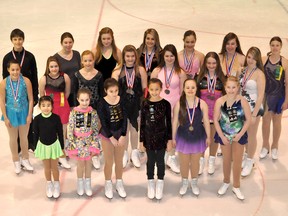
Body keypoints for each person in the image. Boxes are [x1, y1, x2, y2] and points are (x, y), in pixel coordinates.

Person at [151, 44, 187, 174]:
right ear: (163, 56)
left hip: (175, 106)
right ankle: (161, 155)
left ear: (175, 57)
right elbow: (152, 90)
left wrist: (181, 108)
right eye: (167, 56)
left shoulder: (181, 72)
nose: (169, 58)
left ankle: (171, 156)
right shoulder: (157, 71)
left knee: (173, 131)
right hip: (159, 106)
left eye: (172, 56)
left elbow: (183, 93)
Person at [214, 76, 251, 200]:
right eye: (228, 87)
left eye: (233, 87)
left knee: (237, 160)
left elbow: (248, 120)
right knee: (226, 160)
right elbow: (215, 120)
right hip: (224, 136)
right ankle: (225, 182)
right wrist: (221, 136)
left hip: (238, 136)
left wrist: (240, 134)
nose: (231, 90)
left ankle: (236, 185)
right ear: (225, 88)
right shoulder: (219, 101)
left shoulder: (243, 101)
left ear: (238, 88)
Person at [2, 28, 38, 152]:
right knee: (15, 121)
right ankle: (17, 146)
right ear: (12, 40)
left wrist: (35, 94)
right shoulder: (7, 57)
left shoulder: (29, 56)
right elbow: (4, 77)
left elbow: (34, 75)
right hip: (13, 93)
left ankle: (30, 144)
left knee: (28, 118)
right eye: (15, 39)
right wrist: (7, 96)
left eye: (20, 39)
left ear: (23, 40)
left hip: (26, 92)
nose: (18, 42)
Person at [172, 79, 210, 196]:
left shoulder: (202, 103)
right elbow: (175, 122)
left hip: (197, 136)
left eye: (192, 87)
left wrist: (208, 136)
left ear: (196, 89)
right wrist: (173, 137)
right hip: (183, 136)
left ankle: (194, 182)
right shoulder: (179, 104)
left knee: (195, 162)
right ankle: (184, 182)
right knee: (183, 162)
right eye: (187, 87)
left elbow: (207, 121)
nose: (190, 90)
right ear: (183, 89)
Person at [112, 45, 147, 168]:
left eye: (132, 56)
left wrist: (143, 105)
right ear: (123, 57)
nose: (130, 58)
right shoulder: (117, 71)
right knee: (124, 129)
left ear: (136, 57)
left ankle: (135, 152)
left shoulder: (140, 70)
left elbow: (145, 89)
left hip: (136, 104)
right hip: (122, 105)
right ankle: (124, 153)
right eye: (127, 56)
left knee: (134, 128)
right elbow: (113, 91)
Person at [140, 78, 172, 200]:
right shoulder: (145, 103)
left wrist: (169, 140)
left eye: (157, 89)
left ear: (161, 89)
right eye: (152, 89)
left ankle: (160, 182)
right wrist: (141, 141)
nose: (154, 92)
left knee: (160, 161)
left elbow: (168, 123)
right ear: (148, 89)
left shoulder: (165, 104)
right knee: (150, 161)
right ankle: (150, 182)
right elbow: (142, 123)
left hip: (161, 137)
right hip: (149, 137)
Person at [0, 60, 34, 174]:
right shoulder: (4, 83)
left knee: (24, 138)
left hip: (24, 112)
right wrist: (5, 117)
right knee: (13, 138)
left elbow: (31, 99)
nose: (15, 72)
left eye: (17, 69)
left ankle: (25, 159)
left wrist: (30, 114)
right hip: (11, 113)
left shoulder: (26, 81)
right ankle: (16, 160)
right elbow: (1, 100)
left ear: (20, 69)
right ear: (8, 70)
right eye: (12, 70)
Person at [97, 78, 127, 199]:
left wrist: (123, 135)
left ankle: (119, 182)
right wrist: (111, 137)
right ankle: (108, 183)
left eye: (116, 91)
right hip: (107, 135)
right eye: (111, 91)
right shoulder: (101, 103)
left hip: (120, 134)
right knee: (109, 162)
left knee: (119, 161)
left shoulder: (122, 100)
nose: (114, 94)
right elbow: (103, 122)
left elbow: (125, 118)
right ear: (105, 91)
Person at [67, 88, 101, 197]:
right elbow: (70, 128)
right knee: (80, 164)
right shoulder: (74, 112)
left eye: (87, 100)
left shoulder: (93, 112)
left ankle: (88, 183)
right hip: (78, 142)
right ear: (78, 99)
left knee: (88, 164)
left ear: (90, 99)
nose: (84, 103)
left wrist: (94, 143)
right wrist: (72, 143)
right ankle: (80, 183)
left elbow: (95, 128)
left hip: (89, 141)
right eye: (82, 100)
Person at [39, 56, 71, 169]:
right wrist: (47, 105)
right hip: (50, 108)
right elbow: (42, 95)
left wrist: (61, 101)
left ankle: (61, 155)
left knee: (62, 132)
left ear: (59, 66)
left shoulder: (65, 77)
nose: (54, 68)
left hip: (63, 107)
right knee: (52, 132)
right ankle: (54, 154)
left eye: (56, 66)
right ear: (48, 67)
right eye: (51, 66)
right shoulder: (43, 79)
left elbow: (67, 92)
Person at [196, 52, 226, 175]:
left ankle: (212, 159)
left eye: (214, 63)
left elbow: (225, 98)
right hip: (203, 115)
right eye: (209, 63)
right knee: (202, 138)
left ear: (217, 64)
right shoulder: (199, 78)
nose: (211, 65)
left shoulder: (223, 79)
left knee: (214, 138)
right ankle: (201, 159)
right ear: (205, 64)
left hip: (216, 115)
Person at [74, 50, 104, 169]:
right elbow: (74, 92)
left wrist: (101, 110)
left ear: (93, 61)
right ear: (82, 61)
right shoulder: (77, 74)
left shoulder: (99, 75)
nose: (88, 63)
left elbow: (102, 94)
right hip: (81, 109)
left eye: (90, 60)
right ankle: (83, 150)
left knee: (94, 131)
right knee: (82, 131)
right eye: (85, 60)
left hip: (95, 108)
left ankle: (95, 154)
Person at [260, 37, 288, 160]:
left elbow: (287, 83)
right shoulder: (264, 60)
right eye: (272, 45)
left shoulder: (285, 63)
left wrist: (287, 100)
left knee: (277, 121)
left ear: (281, 47)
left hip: (279, 96)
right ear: (269, 46)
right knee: (265, 121)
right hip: (266, 96)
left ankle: (275, 145)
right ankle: (265, 145)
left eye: (277, 45)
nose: (275, 47)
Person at [239, 47, 265, 177]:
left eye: (253, 58)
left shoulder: (259, 74)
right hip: (241, 107)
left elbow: (260, 96)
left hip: (253, 107)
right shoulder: (242, 70)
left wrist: (254, 114)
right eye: (249, 57)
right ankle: (246, 155)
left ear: (257, 59)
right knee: (243, 134)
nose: (250, 60)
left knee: (251, 135)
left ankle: (250, 161)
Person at [34, 96, 64, 198]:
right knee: (47, 168)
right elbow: (35, 134)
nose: (46, 108)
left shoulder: (56, 118)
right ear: (39, 107)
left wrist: (62, 147)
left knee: (54, 167)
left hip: (54, 146)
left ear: (52, 106)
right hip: (43, 146)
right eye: (43, 105)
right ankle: (49, 183)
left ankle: (56, 183)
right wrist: (35, 147)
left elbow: (60, 133)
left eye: (48, 105)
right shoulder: (37, 119)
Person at [54, 32, 81, 107]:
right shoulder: (56, 58)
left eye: (70, 42)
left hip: (77, 90)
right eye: (65, 42)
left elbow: (80, 70)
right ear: (61, 43)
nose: (68, 45)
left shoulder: (76, 54)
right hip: (64, 92)